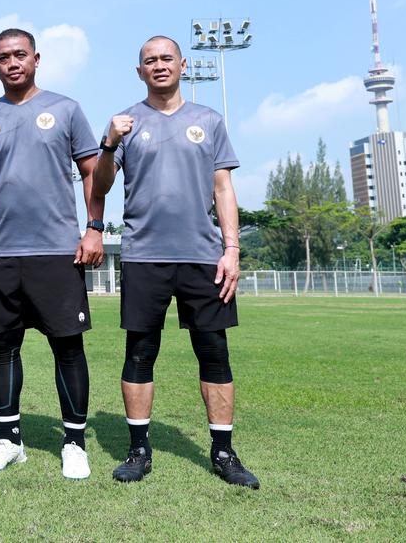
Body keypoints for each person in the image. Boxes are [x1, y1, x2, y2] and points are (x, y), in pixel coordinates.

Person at [91, 35, 259, 489]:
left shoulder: (209, 120)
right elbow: (100, 187)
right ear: (139, 71)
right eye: (150, 60)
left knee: (214, 352)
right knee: (140, 353)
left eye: (167, 58)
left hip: (203, 257)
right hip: (144, 256)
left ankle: (223, 452)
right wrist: (108, 143)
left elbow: (223, 189)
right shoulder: (125, 123)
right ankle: (138, 450)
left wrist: (231, 249)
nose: (159, 65)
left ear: (183, 65)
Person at [0, 28, 104, 480]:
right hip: (2, 252)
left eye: (20, 54)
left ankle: (74, 443)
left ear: (36, 59)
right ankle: (9, 440)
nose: (12, 62)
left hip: (58, 250)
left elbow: (92, 172)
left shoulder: (66, 109)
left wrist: (94, 228)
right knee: (3, 347)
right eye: (3, 57)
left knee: (68, 346)